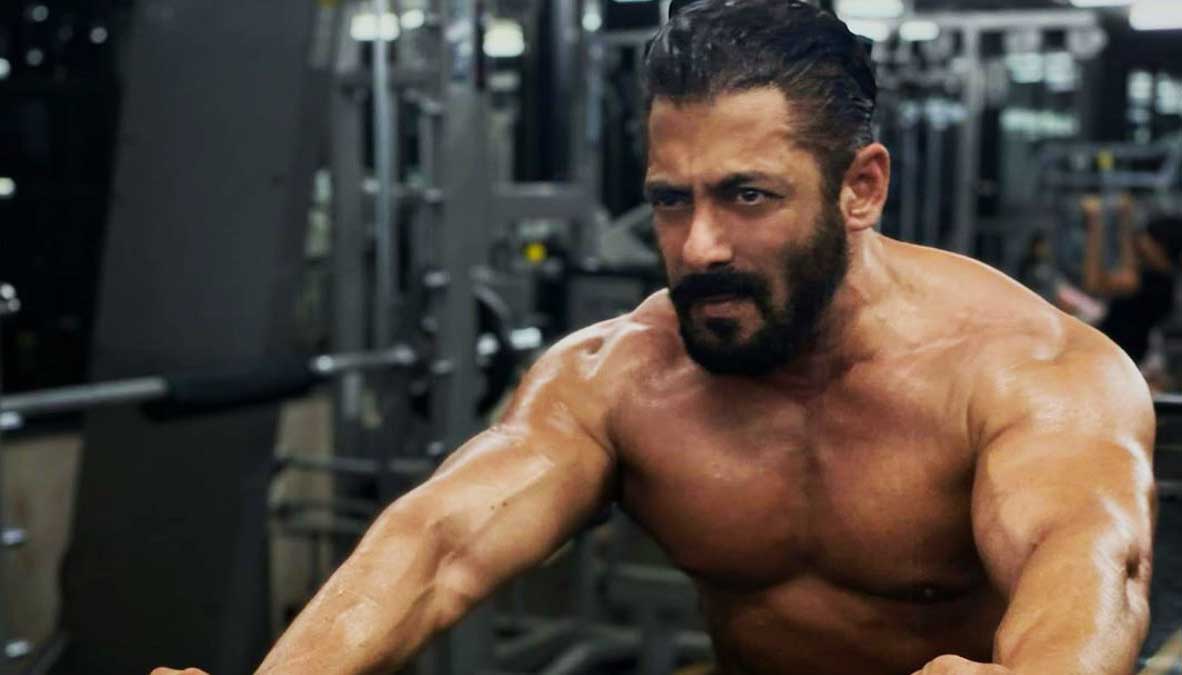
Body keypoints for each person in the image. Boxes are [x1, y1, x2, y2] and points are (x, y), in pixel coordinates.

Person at [156, 2, 1156, 673]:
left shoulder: (1024, 369)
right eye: (672, 200)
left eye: (748, 196)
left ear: (861, 188)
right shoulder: (620, 376)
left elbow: (1090, 558)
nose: (698, 244)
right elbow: (439, 540)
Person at [1082, 193, 1182, 377]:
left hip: (1112, 363)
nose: (1142, 243)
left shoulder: (1156, 284)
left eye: (1149, 239)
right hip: (1122, 360)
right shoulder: (1163, 280)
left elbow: (1094, 282)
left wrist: (1095, 225)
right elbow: (1129, 267)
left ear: (1161, 247)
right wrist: (1125, 221)